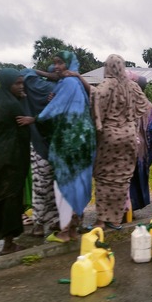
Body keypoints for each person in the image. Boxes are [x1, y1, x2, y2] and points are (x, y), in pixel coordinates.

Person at [37, 51, 96, 242]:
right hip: (82, 141)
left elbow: (50, 113)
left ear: (70, 64)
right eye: (55, 63)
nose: (57, 67)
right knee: (76, 183)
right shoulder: (75, 82)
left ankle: (64, 232)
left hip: (71, 142)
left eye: (60, 62)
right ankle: (71, 229)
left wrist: (35, 118)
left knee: (63, 185)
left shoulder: (68, 83)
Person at [92, 54, 151, 229]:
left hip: (110, 137)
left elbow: (97, 113)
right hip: (129, 136)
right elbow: (144, 105)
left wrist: (101, 128)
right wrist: (130, 119)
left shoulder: (105, 86)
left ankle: (101, 221)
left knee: (104, 177)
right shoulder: (132, 86)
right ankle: (116, 219)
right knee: (122, 178)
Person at [0, 68, 33, 255]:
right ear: (7, 84)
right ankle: (8, 244)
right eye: (17, 83)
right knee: (11, 199)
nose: (21, 86)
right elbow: (22, 133)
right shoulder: (13, 105)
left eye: (22, 83)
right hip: (9, 160)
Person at [19, 67, 59, 237]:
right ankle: (55, 221)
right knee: (55, 187)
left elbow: (27, 72)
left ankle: (39, 224)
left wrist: (37, 72)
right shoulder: (57, 90)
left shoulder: (29, 89)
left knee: (40, 186)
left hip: (38, 145)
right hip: (57, 147)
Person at [129, 76, 152, 212]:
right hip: (142, 148)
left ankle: (127, 209)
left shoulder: (126, 100)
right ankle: (132, 206)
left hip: (127, 145)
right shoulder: (147, 104)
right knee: (136, 176)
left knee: (128, 178)